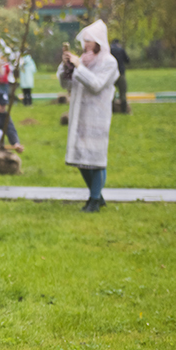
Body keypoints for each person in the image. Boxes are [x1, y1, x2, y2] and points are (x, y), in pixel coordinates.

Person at [58, 19, 119, 213]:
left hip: (97, 116)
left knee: (96, 158)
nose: (85, 45)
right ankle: (97, 196)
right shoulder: (82, 60)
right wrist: (65, 67)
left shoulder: (109, 62)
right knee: (81, 158)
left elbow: (96, 85)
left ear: (99, 41)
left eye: (89, 41)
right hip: (79, 116)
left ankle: (93, 200)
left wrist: (79, 67)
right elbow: (66, 85)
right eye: (84, 41)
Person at [110, 38, 131, 114]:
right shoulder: (121, 49)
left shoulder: (110, 50)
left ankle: (111, 110)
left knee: (111, 93)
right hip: (121, 73)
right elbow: (127, 60)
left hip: (111, 74)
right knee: (122, 93)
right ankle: (124, 110)